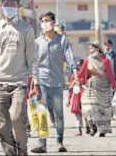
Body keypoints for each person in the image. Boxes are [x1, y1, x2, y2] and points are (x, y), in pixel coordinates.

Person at [0, 0, 41, 156]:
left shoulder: (26, 29)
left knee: (16, 118)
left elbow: (32, 58)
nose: (8, 6)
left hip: (19, 83)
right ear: (1, 6)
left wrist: (36, 82)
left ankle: (22, 149)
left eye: (12, 4)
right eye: (5, 3)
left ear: (18, 6)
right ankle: (10, 153)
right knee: (1, 125)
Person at [31, 12, 78, 154]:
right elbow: (34, 63)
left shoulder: (62, 40)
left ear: (53, 22)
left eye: (47, 20)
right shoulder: (37, 42)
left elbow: (69, 58)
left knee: (58, 114)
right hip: (42, 82)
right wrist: (34, 83)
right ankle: (42, 144)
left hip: (57, 83)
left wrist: (75, 75)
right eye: (42, 21)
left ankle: (59, 142)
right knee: (41, 112)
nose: (45, 23)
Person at [77, 41, 116, 137]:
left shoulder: (106, 60)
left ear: (97, 48)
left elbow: (110, 74)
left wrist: (114, 84)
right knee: (89, 107)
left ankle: (102, 130)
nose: (90, 51)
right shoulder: (87, 60)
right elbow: (82, 73)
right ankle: (92, 127)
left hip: (104, 87)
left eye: (91, 48)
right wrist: (76, 80)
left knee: (103, 109)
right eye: (89, 49)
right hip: (91, 87)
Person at [66, 60, 88, 136]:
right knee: (77, 114)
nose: (79, 67)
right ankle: (79, 130)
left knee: (86, 113)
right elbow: (71, 89)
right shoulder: (73, 76)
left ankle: (88, 128)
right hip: (76, 98)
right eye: (78, 66)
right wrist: (68, 100)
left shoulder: (87, 75)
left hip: (85, 96)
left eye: (81, 65)